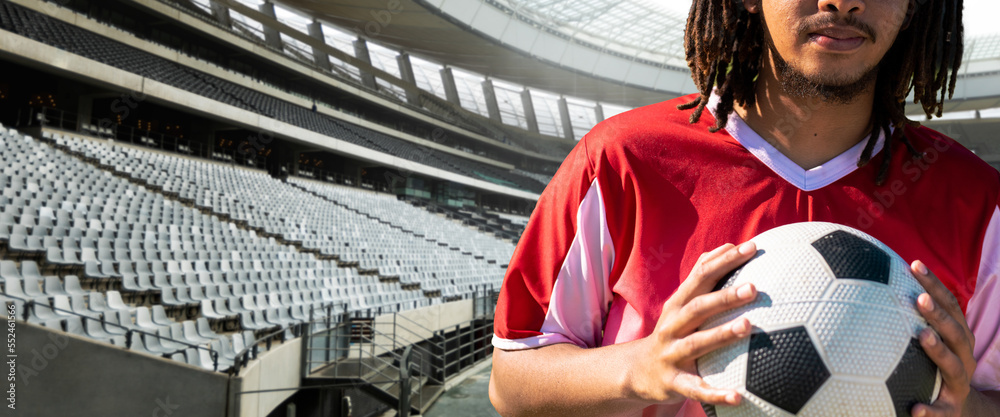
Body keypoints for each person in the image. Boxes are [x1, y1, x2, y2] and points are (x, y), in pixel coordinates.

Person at [488, 0, 1000, 416]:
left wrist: (970, 410)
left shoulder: (978, 202)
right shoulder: (623, 161)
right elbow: (512, 383)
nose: (842, 2)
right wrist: (641, 368)